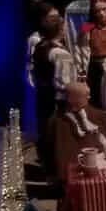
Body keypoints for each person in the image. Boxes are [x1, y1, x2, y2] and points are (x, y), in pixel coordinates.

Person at [31, 12, 76, 174]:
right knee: (58, 136)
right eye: (64, 28)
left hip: (43, 96)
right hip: (57, 101)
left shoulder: (40, 46)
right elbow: (64, 83)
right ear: (60, 30)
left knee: (45, 131)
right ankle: (58, 172)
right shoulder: (60, 54)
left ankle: (48, 168)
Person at [51, 82, 106, 183]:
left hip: (102, 160)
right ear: (71, 99)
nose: (89, 97)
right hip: (79, 166)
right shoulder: (58, 121)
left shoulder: (98, 114)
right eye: (85, 95)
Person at [79, 0, 106, 111]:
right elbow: (83, 54)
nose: (101, 13)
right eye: (97, 11)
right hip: (96, 71)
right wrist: (82, 75)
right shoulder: (88, 30)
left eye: (104, 9)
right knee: (98, 103)